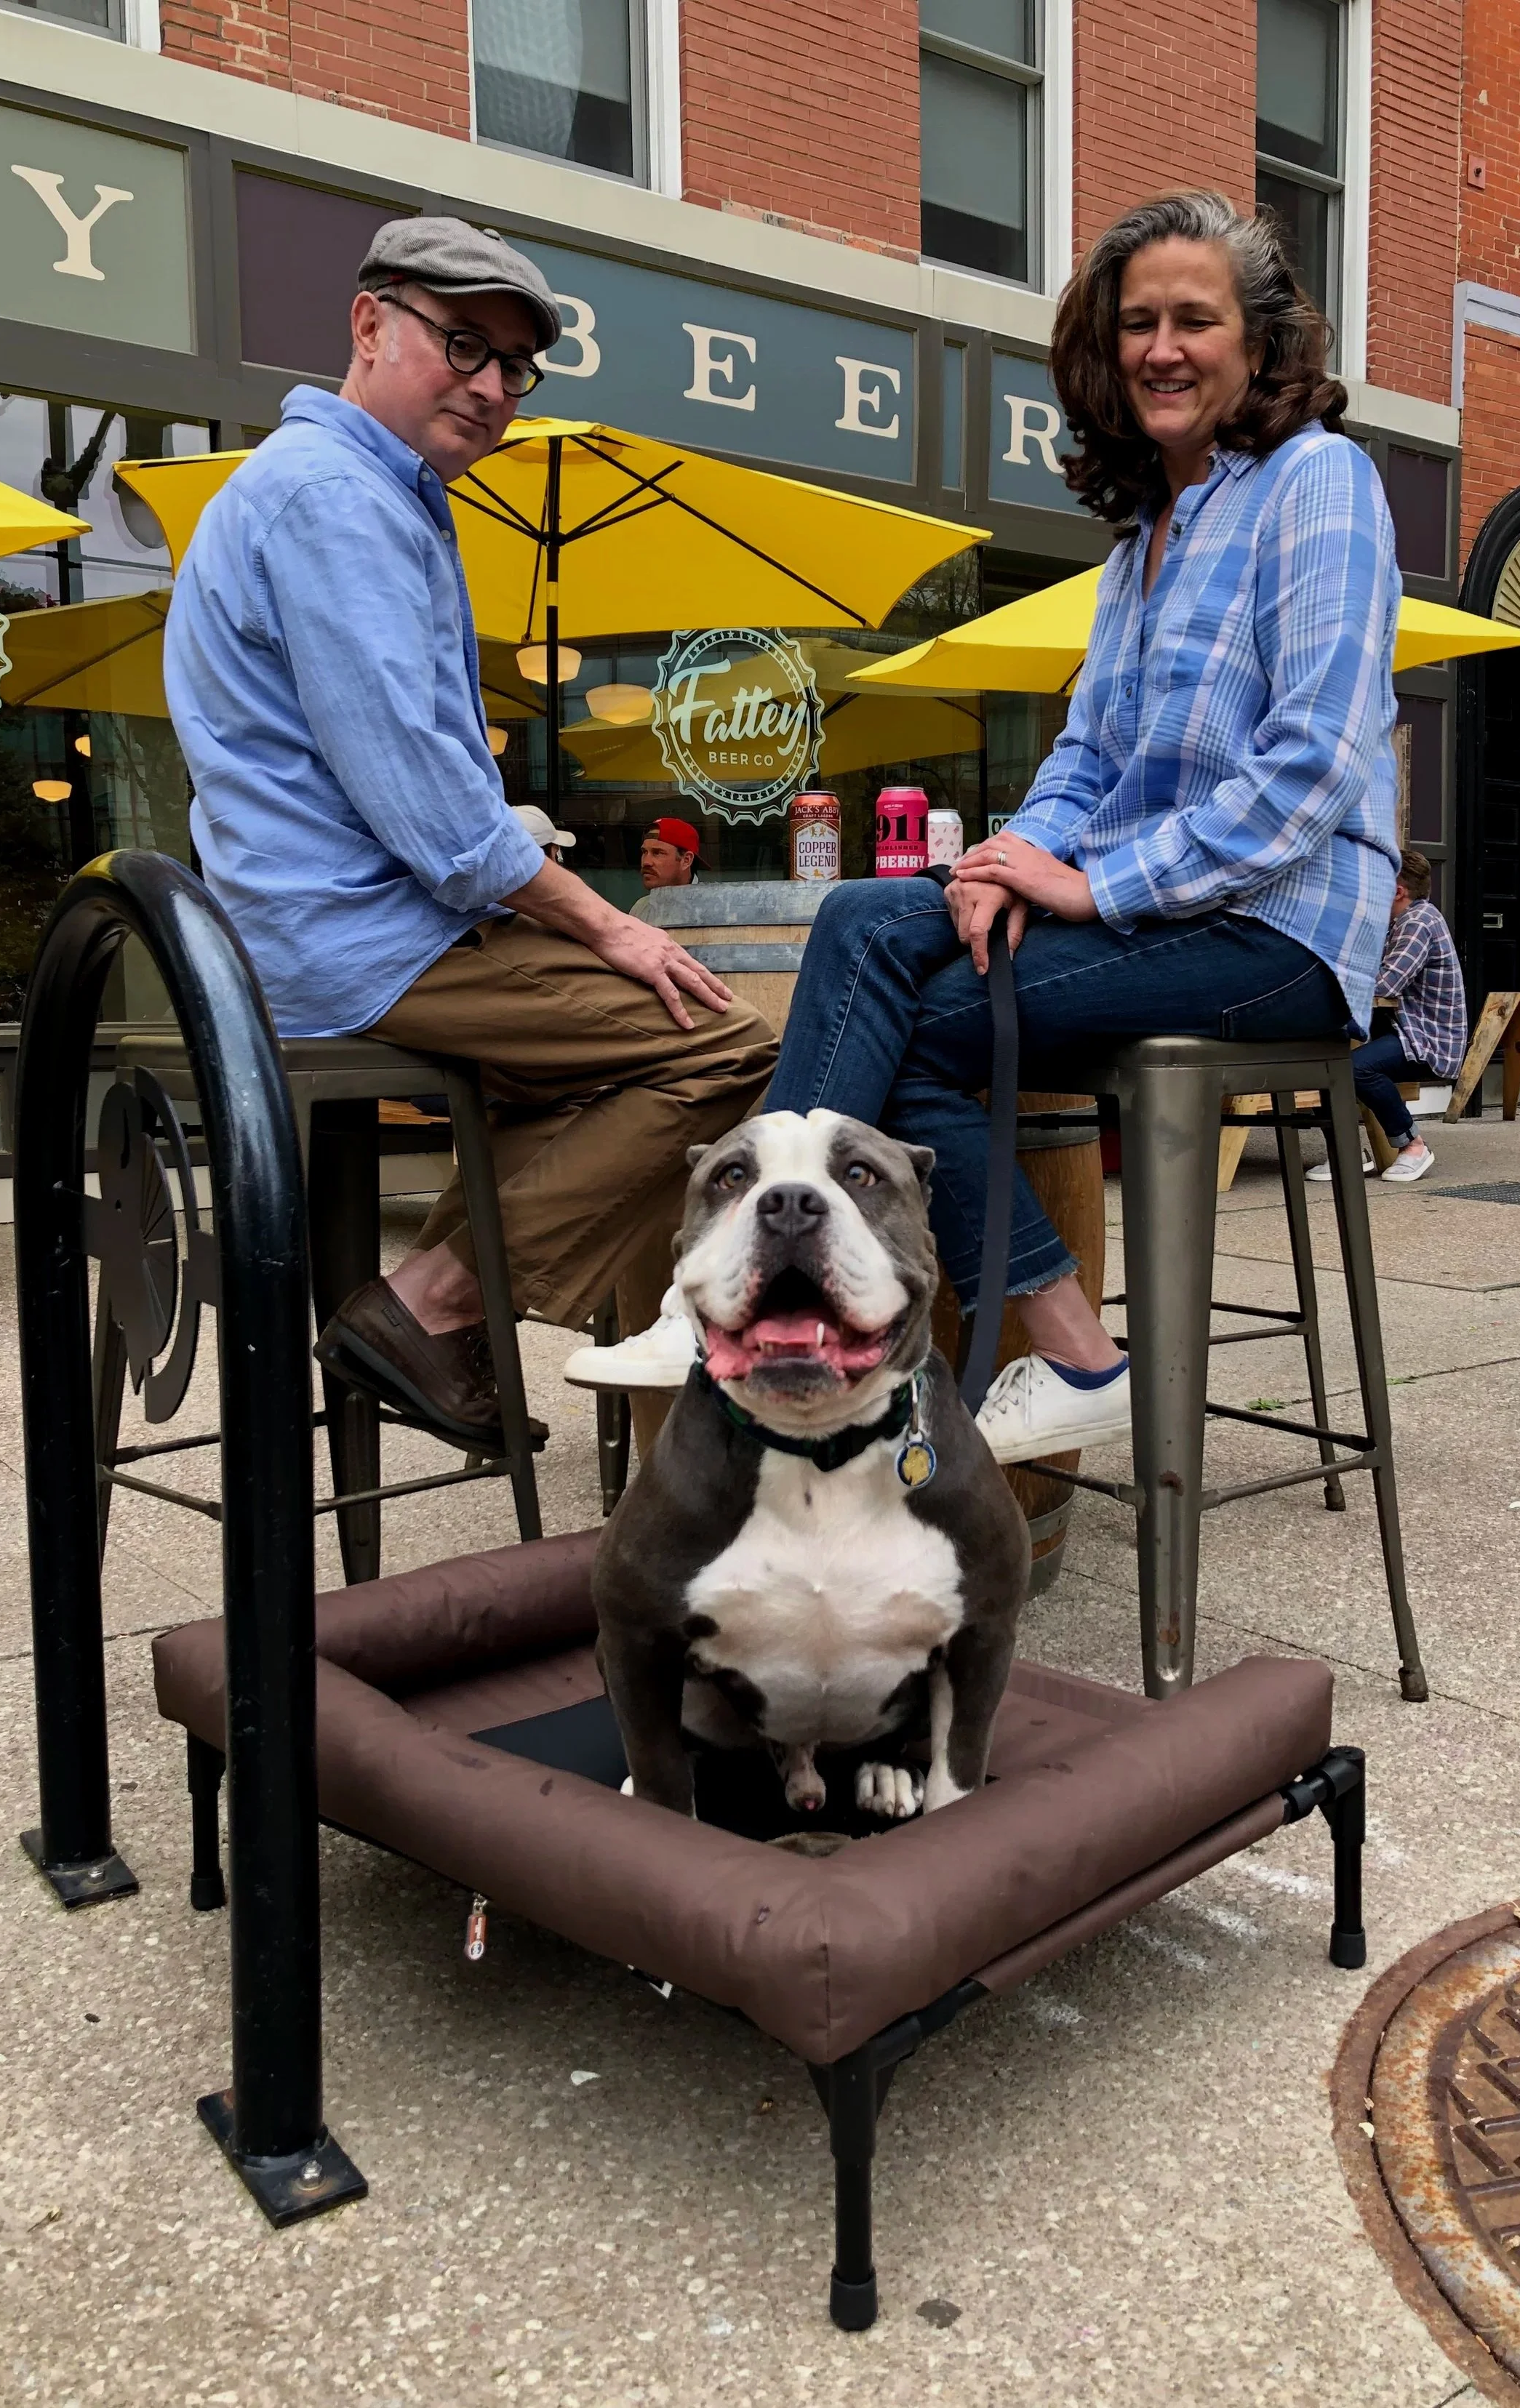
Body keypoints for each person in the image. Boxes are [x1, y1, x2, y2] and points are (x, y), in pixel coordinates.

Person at [585, 190, 1402, 1459]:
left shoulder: (1319, 482)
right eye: (1140, 322)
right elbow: (1086, 756)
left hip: (1278, 928)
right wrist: (1002, 867)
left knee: (879, 962)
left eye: (1198, 319)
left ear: (1260, 344)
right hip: (1167, 914)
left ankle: (732, 1305)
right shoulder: (1145, 537)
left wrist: (1093, 887)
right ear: (1104, 348)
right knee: (880, 940)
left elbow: (1316, 765)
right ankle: (1073, 1351)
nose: (1164, 348)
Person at [164, 216, 775, 1447]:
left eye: (514, 367)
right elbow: (437, 822)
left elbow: (421, 794)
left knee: (612, 1059)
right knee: (723, 1042)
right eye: (464, 346)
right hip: (359, 942)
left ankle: (433, 1314)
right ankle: (430, 1302)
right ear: (368, 322)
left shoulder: (372, 492)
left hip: (339, 928)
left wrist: (530, 882)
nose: (493, 387)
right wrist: (607, 923)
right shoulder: (337, 499)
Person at [1309, 846, 1463, 1184]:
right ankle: (1346, 1153)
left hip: (1425, 1040)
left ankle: (1414, 1145)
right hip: (1397, 1029)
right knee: (1319, 1052)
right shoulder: (1400, 922)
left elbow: (1386, 983)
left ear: (1397, 890)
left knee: (1353, 1069)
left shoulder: (1419, 921)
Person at [639, 816, 701, 891]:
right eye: (644, 852)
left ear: (686, 860)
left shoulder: (711, 902)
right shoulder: (643, 902)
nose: (646, 862)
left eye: (657, 853)